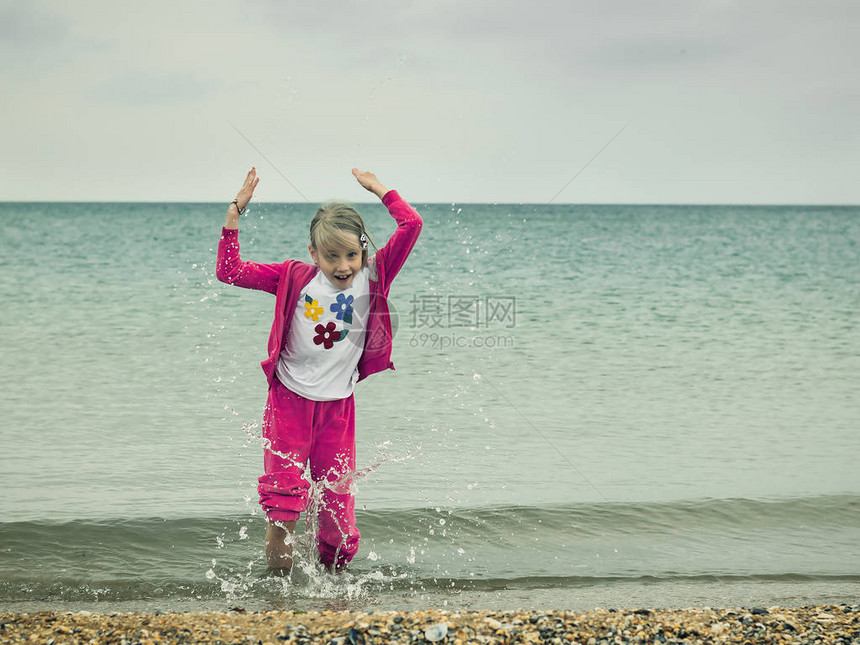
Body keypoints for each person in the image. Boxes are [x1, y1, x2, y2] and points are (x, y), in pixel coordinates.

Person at [216, 167, 422, 572]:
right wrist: (234, 214)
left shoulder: (375, 275)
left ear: (363, 252)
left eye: (351, 255)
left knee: (340, 533)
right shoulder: (294, 276)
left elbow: (411, 224)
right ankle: (277, 595)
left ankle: (333, 591)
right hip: (288, 405)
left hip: (337, 412)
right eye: (331, 256)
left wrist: (379, 188)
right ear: (314, 253)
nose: (343, 266)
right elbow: (230, 271)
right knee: (282, 511)